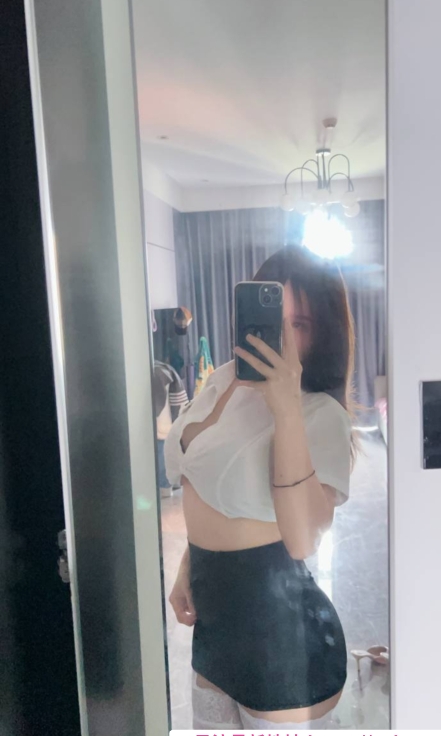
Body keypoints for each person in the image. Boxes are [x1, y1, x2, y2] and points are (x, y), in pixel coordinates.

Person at [165, 244, 355, 730]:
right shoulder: (223, 379)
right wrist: (190, 562)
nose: (282, 338)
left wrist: (286, 409)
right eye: (275, 319)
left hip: (283, 645)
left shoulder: (321, 414)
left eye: (300, 324)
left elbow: (302, 539)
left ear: (323, 333)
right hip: (212, 634)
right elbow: (206, 483)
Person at [152, 361, 188, 497]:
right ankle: (172, 482)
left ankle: (164, 486)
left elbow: (158, 403)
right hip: (170, 420)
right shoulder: (164, 370)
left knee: (162, 454)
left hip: (160, 421)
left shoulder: (156, 373)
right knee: (170, 453)